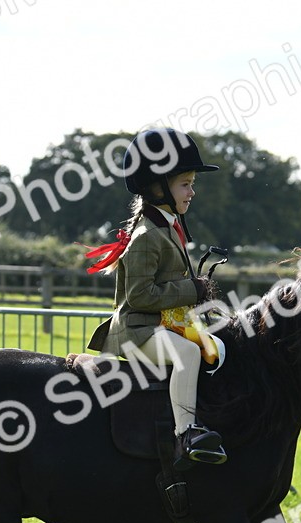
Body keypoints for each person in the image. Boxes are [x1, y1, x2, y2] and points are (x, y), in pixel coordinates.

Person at [85, 129, 225, 468]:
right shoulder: (147, 236)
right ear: (157, 187)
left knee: (221, 348)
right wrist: (194, 289)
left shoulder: (167, 227)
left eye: (192, 183)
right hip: (138, 329)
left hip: (159, 325)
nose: (192, 191)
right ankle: (186, 433)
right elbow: (140, 296)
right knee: (189, 354)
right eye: (185, 184)